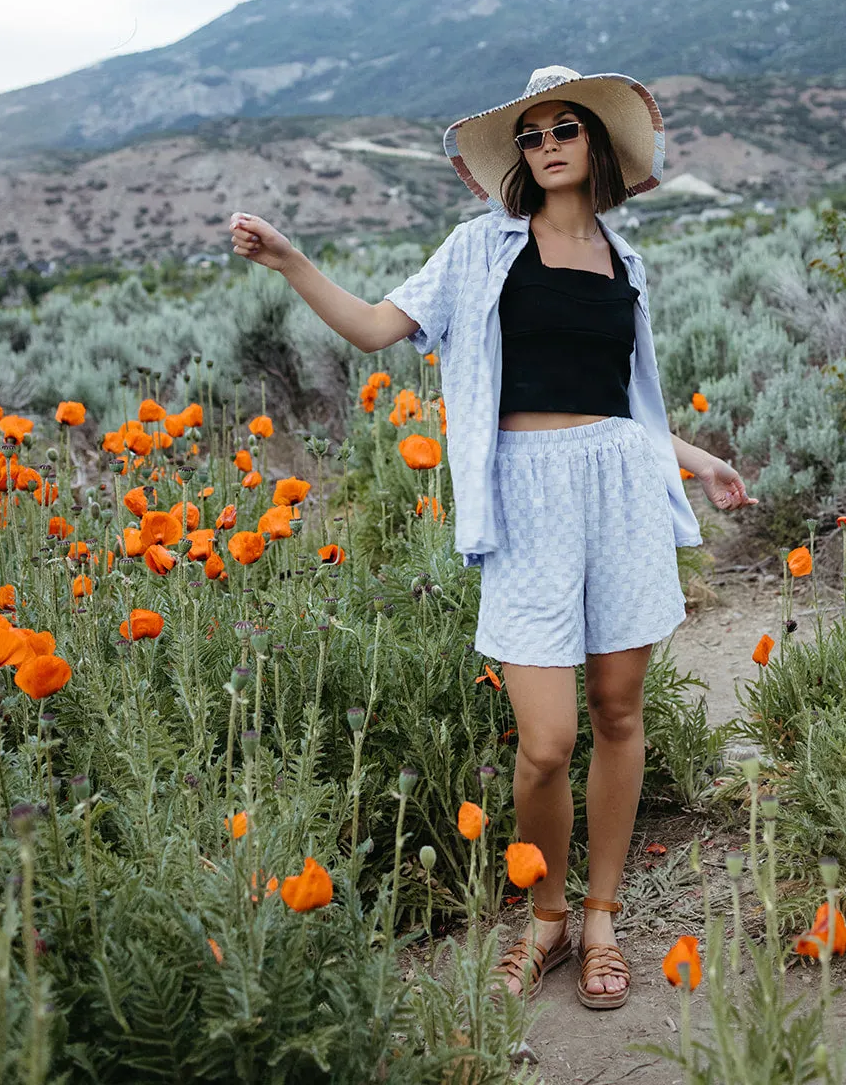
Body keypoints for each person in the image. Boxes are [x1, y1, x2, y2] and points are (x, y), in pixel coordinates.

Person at [228, 62, 757, 1010]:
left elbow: (623, 401)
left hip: (623, 489)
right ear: (520, 154)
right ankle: (542, 918)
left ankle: (599, 919)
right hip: (526, 500)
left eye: (566, 129)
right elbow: (375, 328)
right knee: (547, 741)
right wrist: (292, 262)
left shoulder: (625, 263)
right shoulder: (480, 250)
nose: (549, 145)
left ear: (595, 144)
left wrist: (696, 459)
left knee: (620, 712)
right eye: (533, 134)